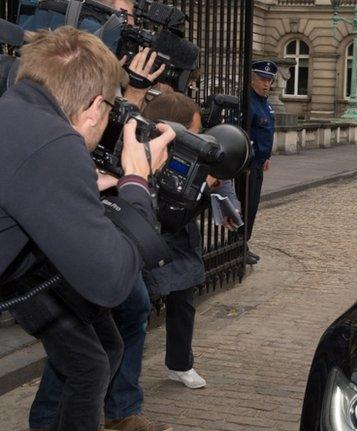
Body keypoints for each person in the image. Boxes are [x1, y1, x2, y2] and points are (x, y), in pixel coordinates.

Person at [0, 26, 174, 431]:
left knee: (94, 357)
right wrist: (136, 180)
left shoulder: (16, 112)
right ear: (95, 106)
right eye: (112, 109)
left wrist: (75, 185)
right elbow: (109, 282)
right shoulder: (53, 141)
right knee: (91, 360)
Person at [142, 92, 241, 389]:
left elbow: (223, 183)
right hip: (150, 240)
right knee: (135, 309)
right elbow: (165, 211)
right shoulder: (148, 151)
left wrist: (225, 205)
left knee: (183, 301)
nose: (199, 137)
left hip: (181, 240)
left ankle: (180, 363)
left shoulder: (195, 153)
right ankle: (120, 381)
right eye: (195, 131)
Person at [246, 59, 277, 265]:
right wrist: (247, 162)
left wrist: (267, 156)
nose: (266, 84)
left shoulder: (265, 103)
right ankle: (238, 244)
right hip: (248, 166)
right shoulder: (248, 103)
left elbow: (266, 133)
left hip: (259, 163)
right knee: (245, 204)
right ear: (252, 79)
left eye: (269, 80)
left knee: (253, 205)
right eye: (262, 79)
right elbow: (244, 135)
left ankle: (244, 243)